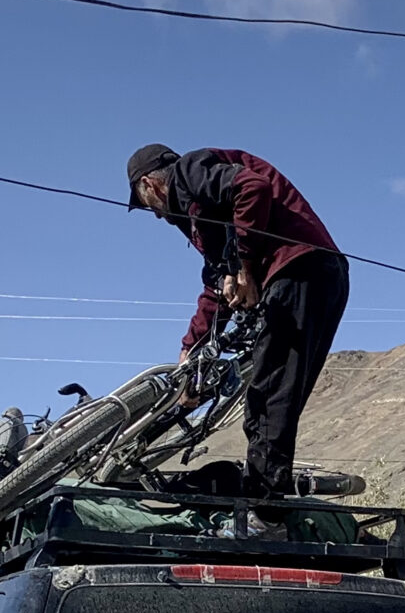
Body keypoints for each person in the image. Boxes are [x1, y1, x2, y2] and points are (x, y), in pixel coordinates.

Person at [126, 144, 351, 506]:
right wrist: (190, 349)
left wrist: (244, 265)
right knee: (278, 396)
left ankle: (264, 511)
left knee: (268, 398)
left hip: (298, 270)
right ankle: (265, 498)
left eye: (144, 202)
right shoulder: (201, 212)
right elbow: (218, 285)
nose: (153, 215)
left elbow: (253, 188)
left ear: (150, 185)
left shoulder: (189, 172)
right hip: (317, 275)